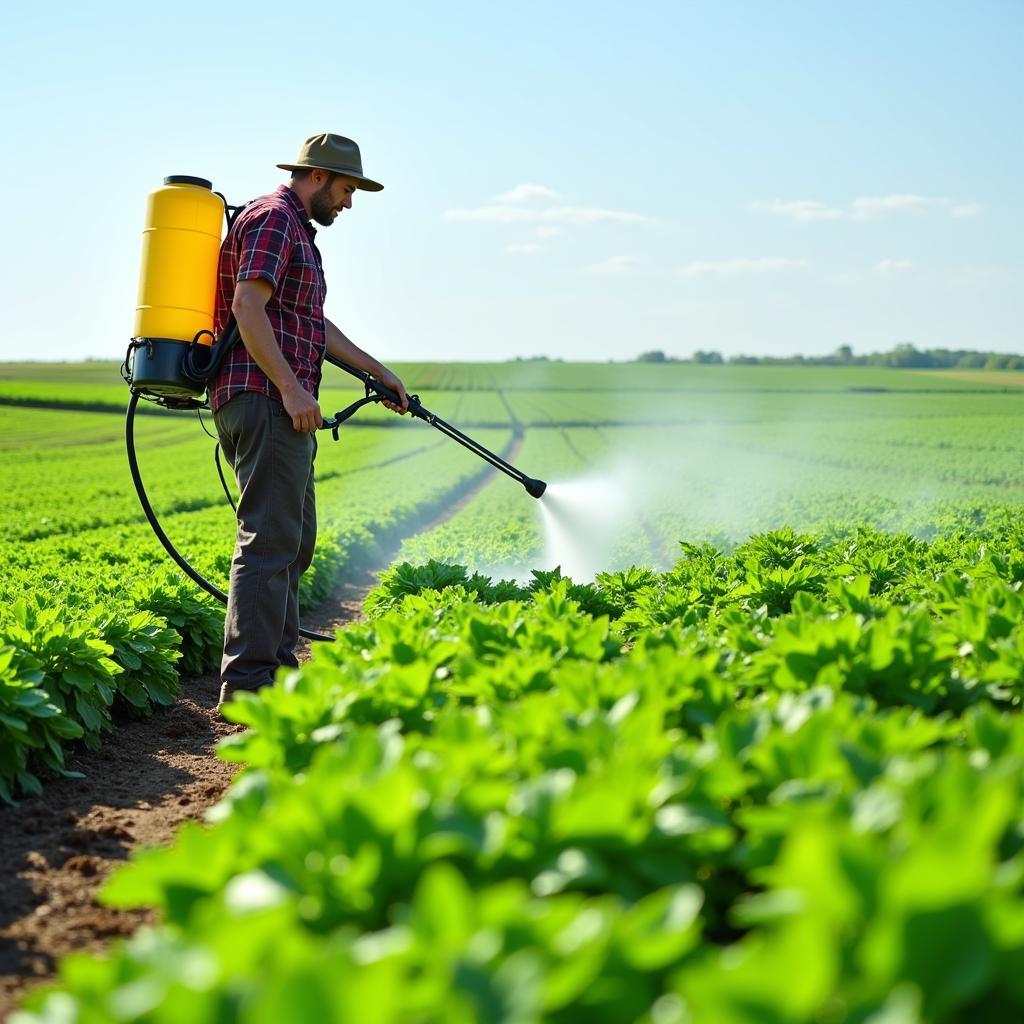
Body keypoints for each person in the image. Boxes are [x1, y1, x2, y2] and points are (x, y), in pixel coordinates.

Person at [210, 132, 408, 708]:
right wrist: (292, 390)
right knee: (269, 541)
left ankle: (277, 669)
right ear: (318, 176)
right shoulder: (273, 219)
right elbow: (248, 306)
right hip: (265, 399)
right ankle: (250, 685)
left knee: (294, 543)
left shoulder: (298, 231)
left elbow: (311, 326)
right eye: (347, 189)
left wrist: (378, 372)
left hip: (278, 403)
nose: (348, 203)